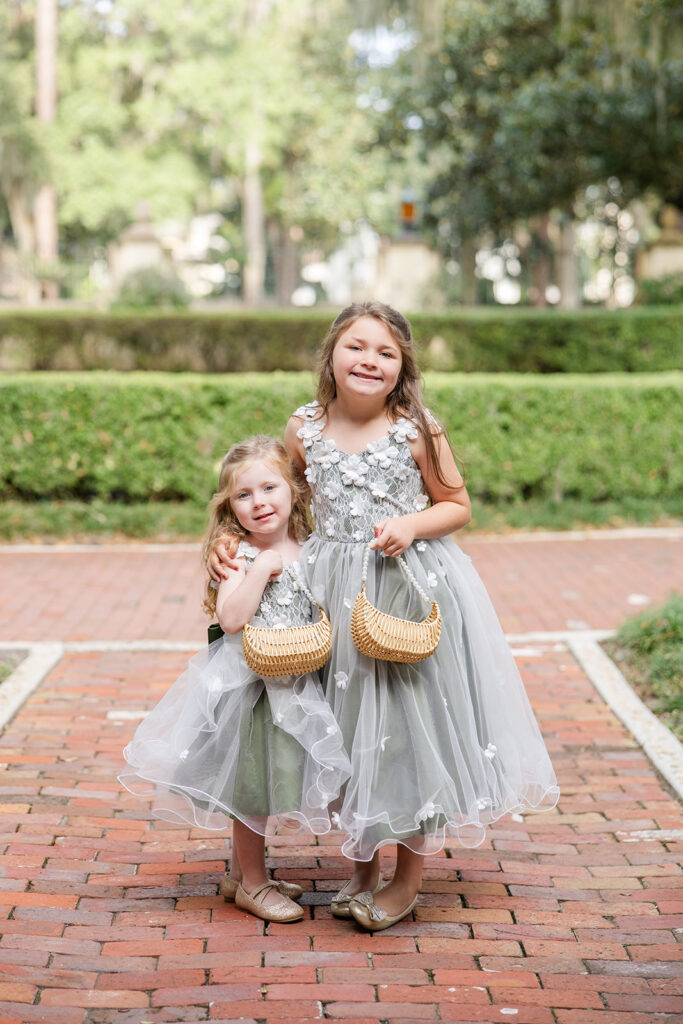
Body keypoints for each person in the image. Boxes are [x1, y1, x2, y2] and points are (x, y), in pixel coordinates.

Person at [211, 302, 559, 932]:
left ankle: (406, 880)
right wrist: (235, 545)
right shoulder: (304, 428)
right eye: (356, 347)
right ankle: (364, 868)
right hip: (331, 590)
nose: (369, 360)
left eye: (386, 352)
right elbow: (283, 501)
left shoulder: (418, 427)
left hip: (401, 589)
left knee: (405, 727)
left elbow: (457, 504)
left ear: (402, 369)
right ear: (331, 357)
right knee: (351, 729)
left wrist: (410, 523)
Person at [120, 436, 349, 923]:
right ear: (231, 507)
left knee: (275, 781)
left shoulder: (312, 549)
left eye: (269, 487)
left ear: (294, 492)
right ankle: (253, 883)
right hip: (252, 693)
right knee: (252, 789)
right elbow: (229, 619)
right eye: (244, 495)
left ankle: (243, 873)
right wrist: (262, 569)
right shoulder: (241, 555)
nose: (259, 502)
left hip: (297, 682)